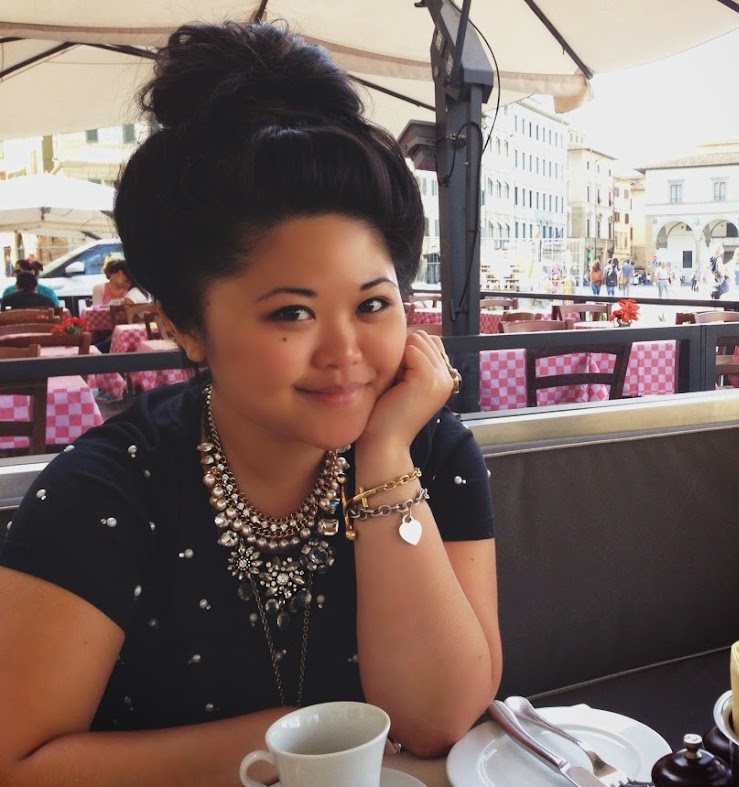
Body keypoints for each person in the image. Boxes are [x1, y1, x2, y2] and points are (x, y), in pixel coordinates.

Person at [0, 21, 501, 784]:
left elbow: (438, 720)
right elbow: (17, 763)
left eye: (373, 303)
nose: (345, 351)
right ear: (184, 326)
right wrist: (297, 742)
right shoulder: (107, 493)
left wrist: (385, 457)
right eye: (291, 312)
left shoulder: (430, 450)